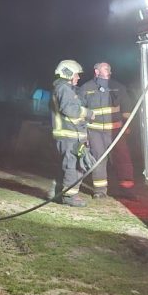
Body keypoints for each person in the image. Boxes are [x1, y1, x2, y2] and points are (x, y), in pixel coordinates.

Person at [79, 61, 133, 198]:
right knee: (99, 159)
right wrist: (83, 131)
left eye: (109, 68)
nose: (109, 70)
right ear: (96, 71)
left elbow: (127, 108)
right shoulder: (86, 88)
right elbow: (80, 111)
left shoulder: (118, 87)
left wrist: (127, 125)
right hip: (95, 132)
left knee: (122, 158)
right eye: (105, 68)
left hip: (116, 131)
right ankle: (100, 191)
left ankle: (127, 189)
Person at [50, 59, 88, 207]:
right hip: (68, 135)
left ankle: (59, 195)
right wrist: (88, 113)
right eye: (76, 75)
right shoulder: (64, 89)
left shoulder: (62, 88)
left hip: (67, 135)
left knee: (67, 166)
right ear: (68, 73)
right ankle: (69, 197)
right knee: (71, 166)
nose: (78, 78)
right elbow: (70, 110)